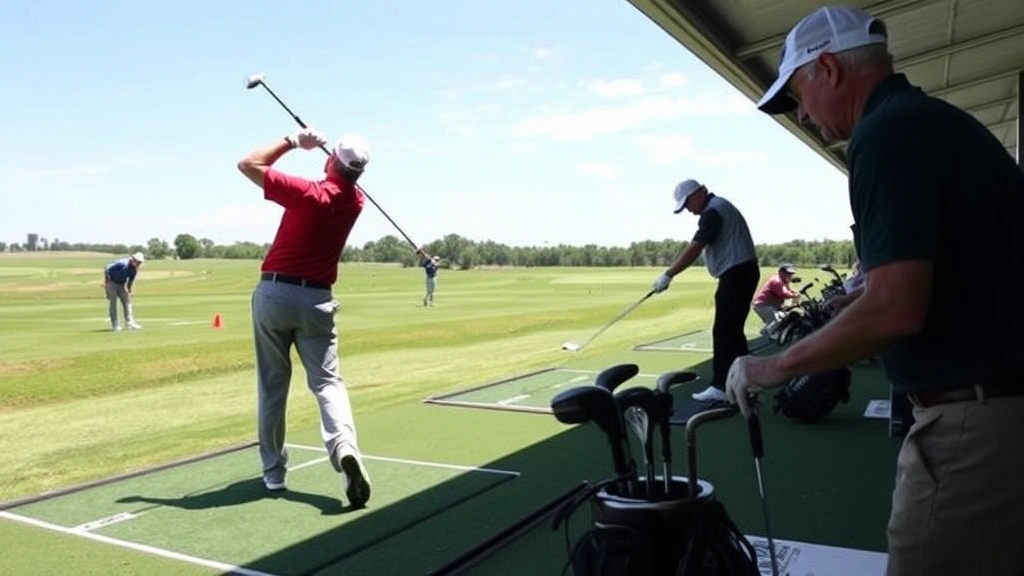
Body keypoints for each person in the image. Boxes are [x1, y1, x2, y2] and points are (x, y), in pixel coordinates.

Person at [725, 6, 1024, 575]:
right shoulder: (923, 120)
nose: (804, 116)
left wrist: (773, 367)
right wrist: (860, 303)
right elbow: (926, 282)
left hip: (974, 422)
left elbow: (897, 307)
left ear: (829, 70)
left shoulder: (886, 134)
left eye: (798, 96)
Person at [237, 126, 372, 508]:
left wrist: (294, 142)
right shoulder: (356, 201)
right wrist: (333, 162)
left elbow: (248, 164)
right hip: (318, 301)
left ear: (332, 161)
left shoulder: (309, 193)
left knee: (273, 385)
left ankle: (274, 474)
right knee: (328, 383)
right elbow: (343, 182)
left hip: (275, 294)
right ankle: (344, 446)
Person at [652, 179, 759, 403]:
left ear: (699, 193)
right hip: (742, 272)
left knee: (723, 332)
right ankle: (748, 380)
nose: (689, 210)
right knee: (733, 332)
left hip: (736, 274)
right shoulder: (718, 206)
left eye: (688, 204)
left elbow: (695, 247)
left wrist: (669, 274)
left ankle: (721, 386)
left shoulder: (713, 211)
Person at [751, 263, 800, 334]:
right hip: (763, 305)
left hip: (766, 305)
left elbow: (789, 290)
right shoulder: (777, 281)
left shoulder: (783, 281)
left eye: (791, 274)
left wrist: (794, 292)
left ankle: (764, 332)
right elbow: (784, 294)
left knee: (774, 320)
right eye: (787, 273)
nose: (790, 275)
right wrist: (794, 295)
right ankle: (768, 335)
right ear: (781, 272)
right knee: (778, 320)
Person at [103, 252, 145, 331]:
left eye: (140, 262)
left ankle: (130, 323)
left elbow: (130, 282)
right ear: (133, 259)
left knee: (127, 302)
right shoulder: (122, 264)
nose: (139, 264)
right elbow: (107, 269)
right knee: (113, 303)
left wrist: (129, 292)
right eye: (138, 262)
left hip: (122, 284)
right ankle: (115, 324)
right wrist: (107, 285)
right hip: (112, 282)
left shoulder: (134, 270)